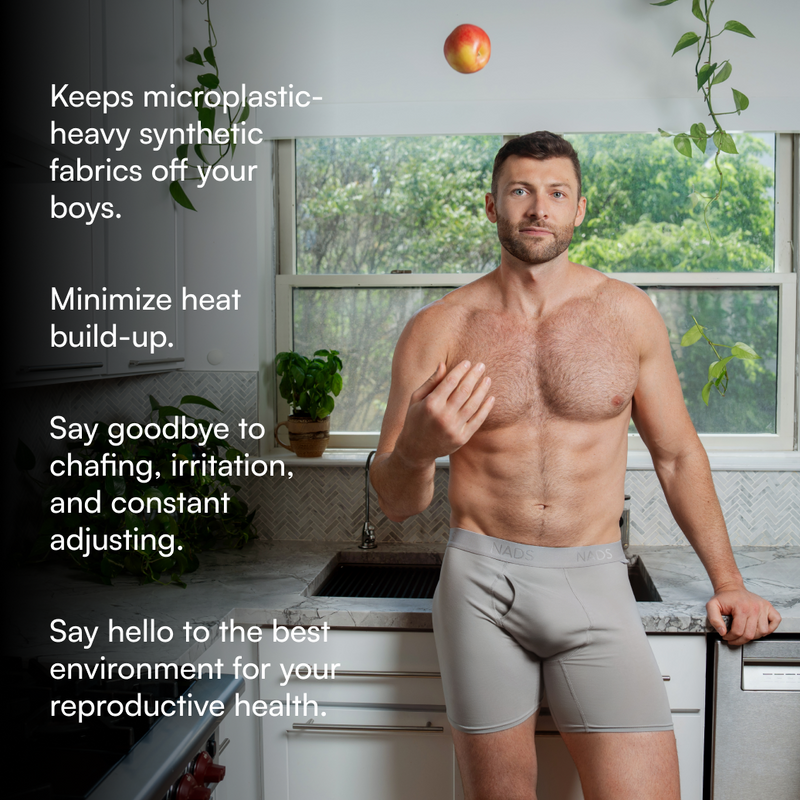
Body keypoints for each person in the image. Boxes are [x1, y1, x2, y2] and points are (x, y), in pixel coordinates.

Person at [369, 131, 781, 800]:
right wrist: (417, 449)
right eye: (521, 192)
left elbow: (677, 456)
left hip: (595, 582)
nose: (539, 208)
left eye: (556, 192)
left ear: (580, 208)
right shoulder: (438, 328)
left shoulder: (627, 315)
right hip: (480, 586)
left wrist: (728, 582)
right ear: (491, 205)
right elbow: (395, 499)